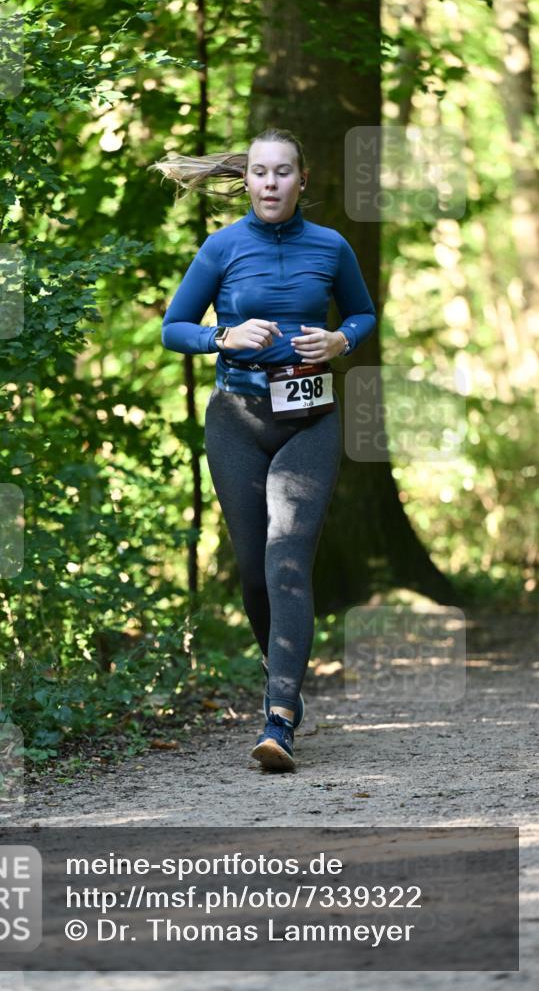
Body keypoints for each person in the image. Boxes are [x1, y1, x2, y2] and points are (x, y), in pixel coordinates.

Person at [150, 128, 376, 771]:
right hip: (237, 419)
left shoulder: (331, 247)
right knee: (254, 571)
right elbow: (173, 328)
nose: (271, 183)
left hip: (309, 419)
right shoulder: (222, 247)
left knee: (287, 561)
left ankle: (280, 713)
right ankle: (284, 676)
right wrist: (223, 336)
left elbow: (362, 314)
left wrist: (341, 343)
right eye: (259, 172)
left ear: (303, 181)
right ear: (245, 182)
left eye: (283, 172)